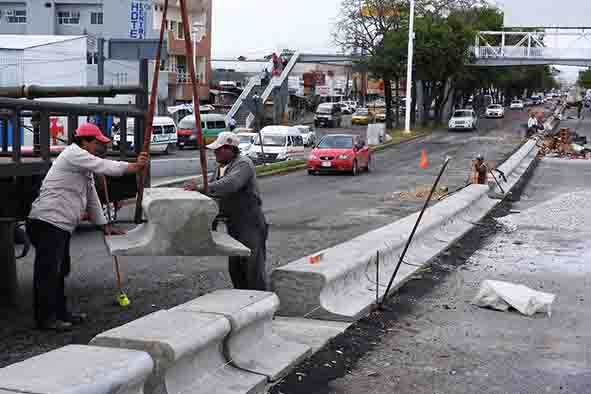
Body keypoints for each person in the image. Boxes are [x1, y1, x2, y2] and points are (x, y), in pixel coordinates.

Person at [26, 123, 149, 331]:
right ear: (85, 141)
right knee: (49, 273)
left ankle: (60, 312)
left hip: (58, 225)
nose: (100, 147)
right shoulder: (73, 154)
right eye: (97, 143)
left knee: (60, 271)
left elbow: (92, 198)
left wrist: (104, 225)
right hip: (48, 222)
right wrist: (133, 167)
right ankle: (45, 318)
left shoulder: (83, 167)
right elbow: (105, 166)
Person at [185, 132, 268, 290]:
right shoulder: (221, 167)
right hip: (234, 224)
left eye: (218, 149)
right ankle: (243, 302)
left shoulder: (243, 163)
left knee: (252, 269)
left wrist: (201, 188)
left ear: (230, 149)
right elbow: (214, 197)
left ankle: (260, 302)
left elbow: (229, 185)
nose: (214, 153)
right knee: (236, 269)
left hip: (250, 223)